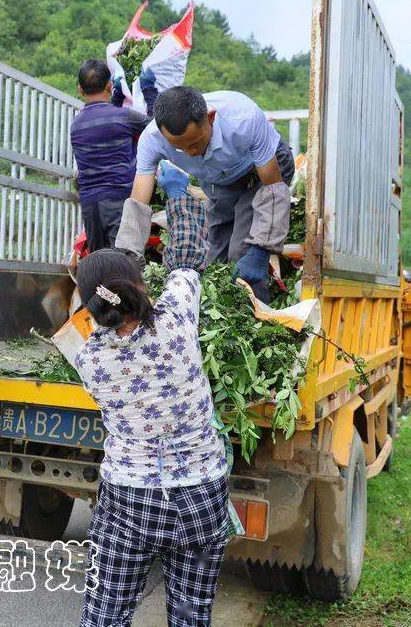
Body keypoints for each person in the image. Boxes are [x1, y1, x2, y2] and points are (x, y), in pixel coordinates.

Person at [75, 161, 230, 627]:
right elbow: (185, 258)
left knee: (105, 616)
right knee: (190, 617)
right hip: (201, 495)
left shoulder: (89, 361)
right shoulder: (178, 318)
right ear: (141, 286)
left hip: (129, 501)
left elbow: (97, 314)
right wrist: (180, 198)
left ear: (90, 308)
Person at [116, 86, 294, 302]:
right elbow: (138, 204)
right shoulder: (151, 139)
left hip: (263, 170)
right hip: (220, 179)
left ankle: (256, 320)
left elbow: (272, 188)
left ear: (210, 117)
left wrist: (262, 249)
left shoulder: (243, 118)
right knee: (211, 256)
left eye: (195, 143)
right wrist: (127, 261)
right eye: (179, 148)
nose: (190, 152)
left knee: (243, 251)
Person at [70, 59, 156, 252]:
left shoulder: (76, 125)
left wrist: (116, 100)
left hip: (90, 204)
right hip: (120, 201)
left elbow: (104, 128)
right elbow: (157, 127)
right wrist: (149, 91)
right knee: (124, 260)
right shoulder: (125, 117)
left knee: (101, 260)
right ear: (109, 86)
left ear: (80, 89)